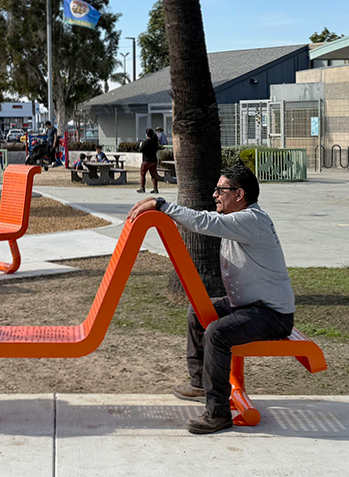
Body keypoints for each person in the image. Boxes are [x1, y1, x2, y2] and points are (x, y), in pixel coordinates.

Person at [126, 164, 295, 435]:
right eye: (215, 189)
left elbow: (205, 222)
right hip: (248, 304)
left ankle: (218, 414)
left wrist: (161, 204)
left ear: (239, 194)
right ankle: (200, 385)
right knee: (199, 312)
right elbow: (207, 221)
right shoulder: (239, 219)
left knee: (218, 333)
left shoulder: (250, 220)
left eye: (221, 190)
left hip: (272, 314)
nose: (215, 194)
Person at [137, 128, 160, 194]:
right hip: (154, 160)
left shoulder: (146, 142)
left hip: (147, 160)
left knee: (142, 173)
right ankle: (155, 188)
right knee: (153, 174)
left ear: (147, 135)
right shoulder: (155, 142)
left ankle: (142, 188)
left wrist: (140, 145)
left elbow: (140, 150)